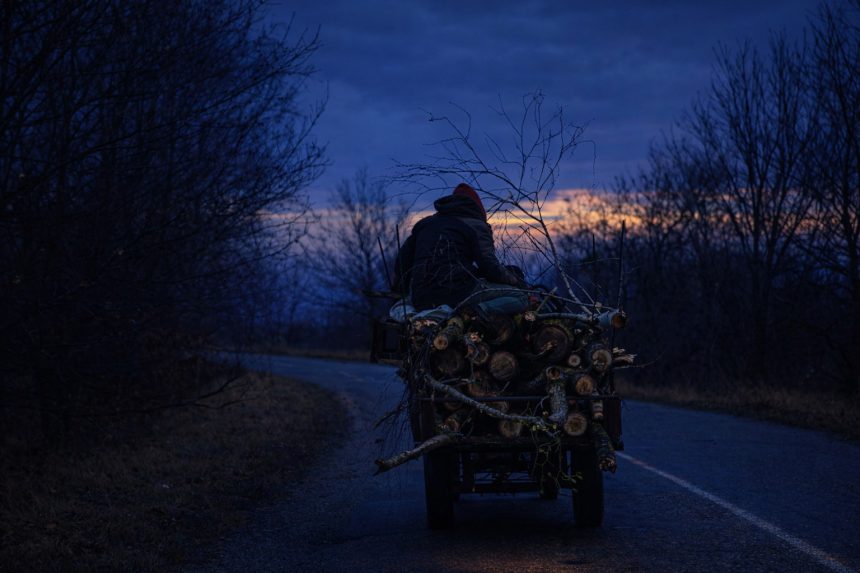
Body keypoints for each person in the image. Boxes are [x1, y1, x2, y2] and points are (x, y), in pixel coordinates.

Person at [393, 183, 529, 316]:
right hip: (457, 294)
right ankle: (476, 311)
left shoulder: (425, 224)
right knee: (520, 298)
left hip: (421, 298)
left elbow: (402, 262)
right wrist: (518, 283)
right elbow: (489, 266)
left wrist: (401, 290)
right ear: (478, 208)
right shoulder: (476, 225)